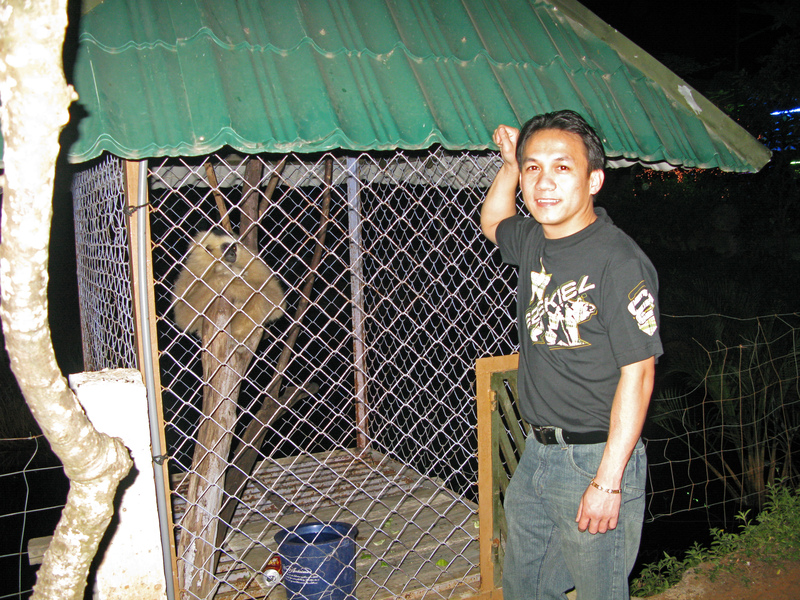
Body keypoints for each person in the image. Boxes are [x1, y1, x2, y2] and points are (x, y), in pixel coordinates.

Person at [480, 110, 663, 600]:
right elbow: (493, 221)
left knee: (600, 591)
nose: (544, 182)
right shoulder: (534, 240)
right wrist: (508, 165)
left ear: (593, 180)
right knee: (524, 586)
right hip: (537, 451)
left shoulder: (618, 262)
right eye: (533, 168)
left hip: (596, 456)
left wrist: (608, 481)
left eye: (562, 167)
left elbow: (640, 374)